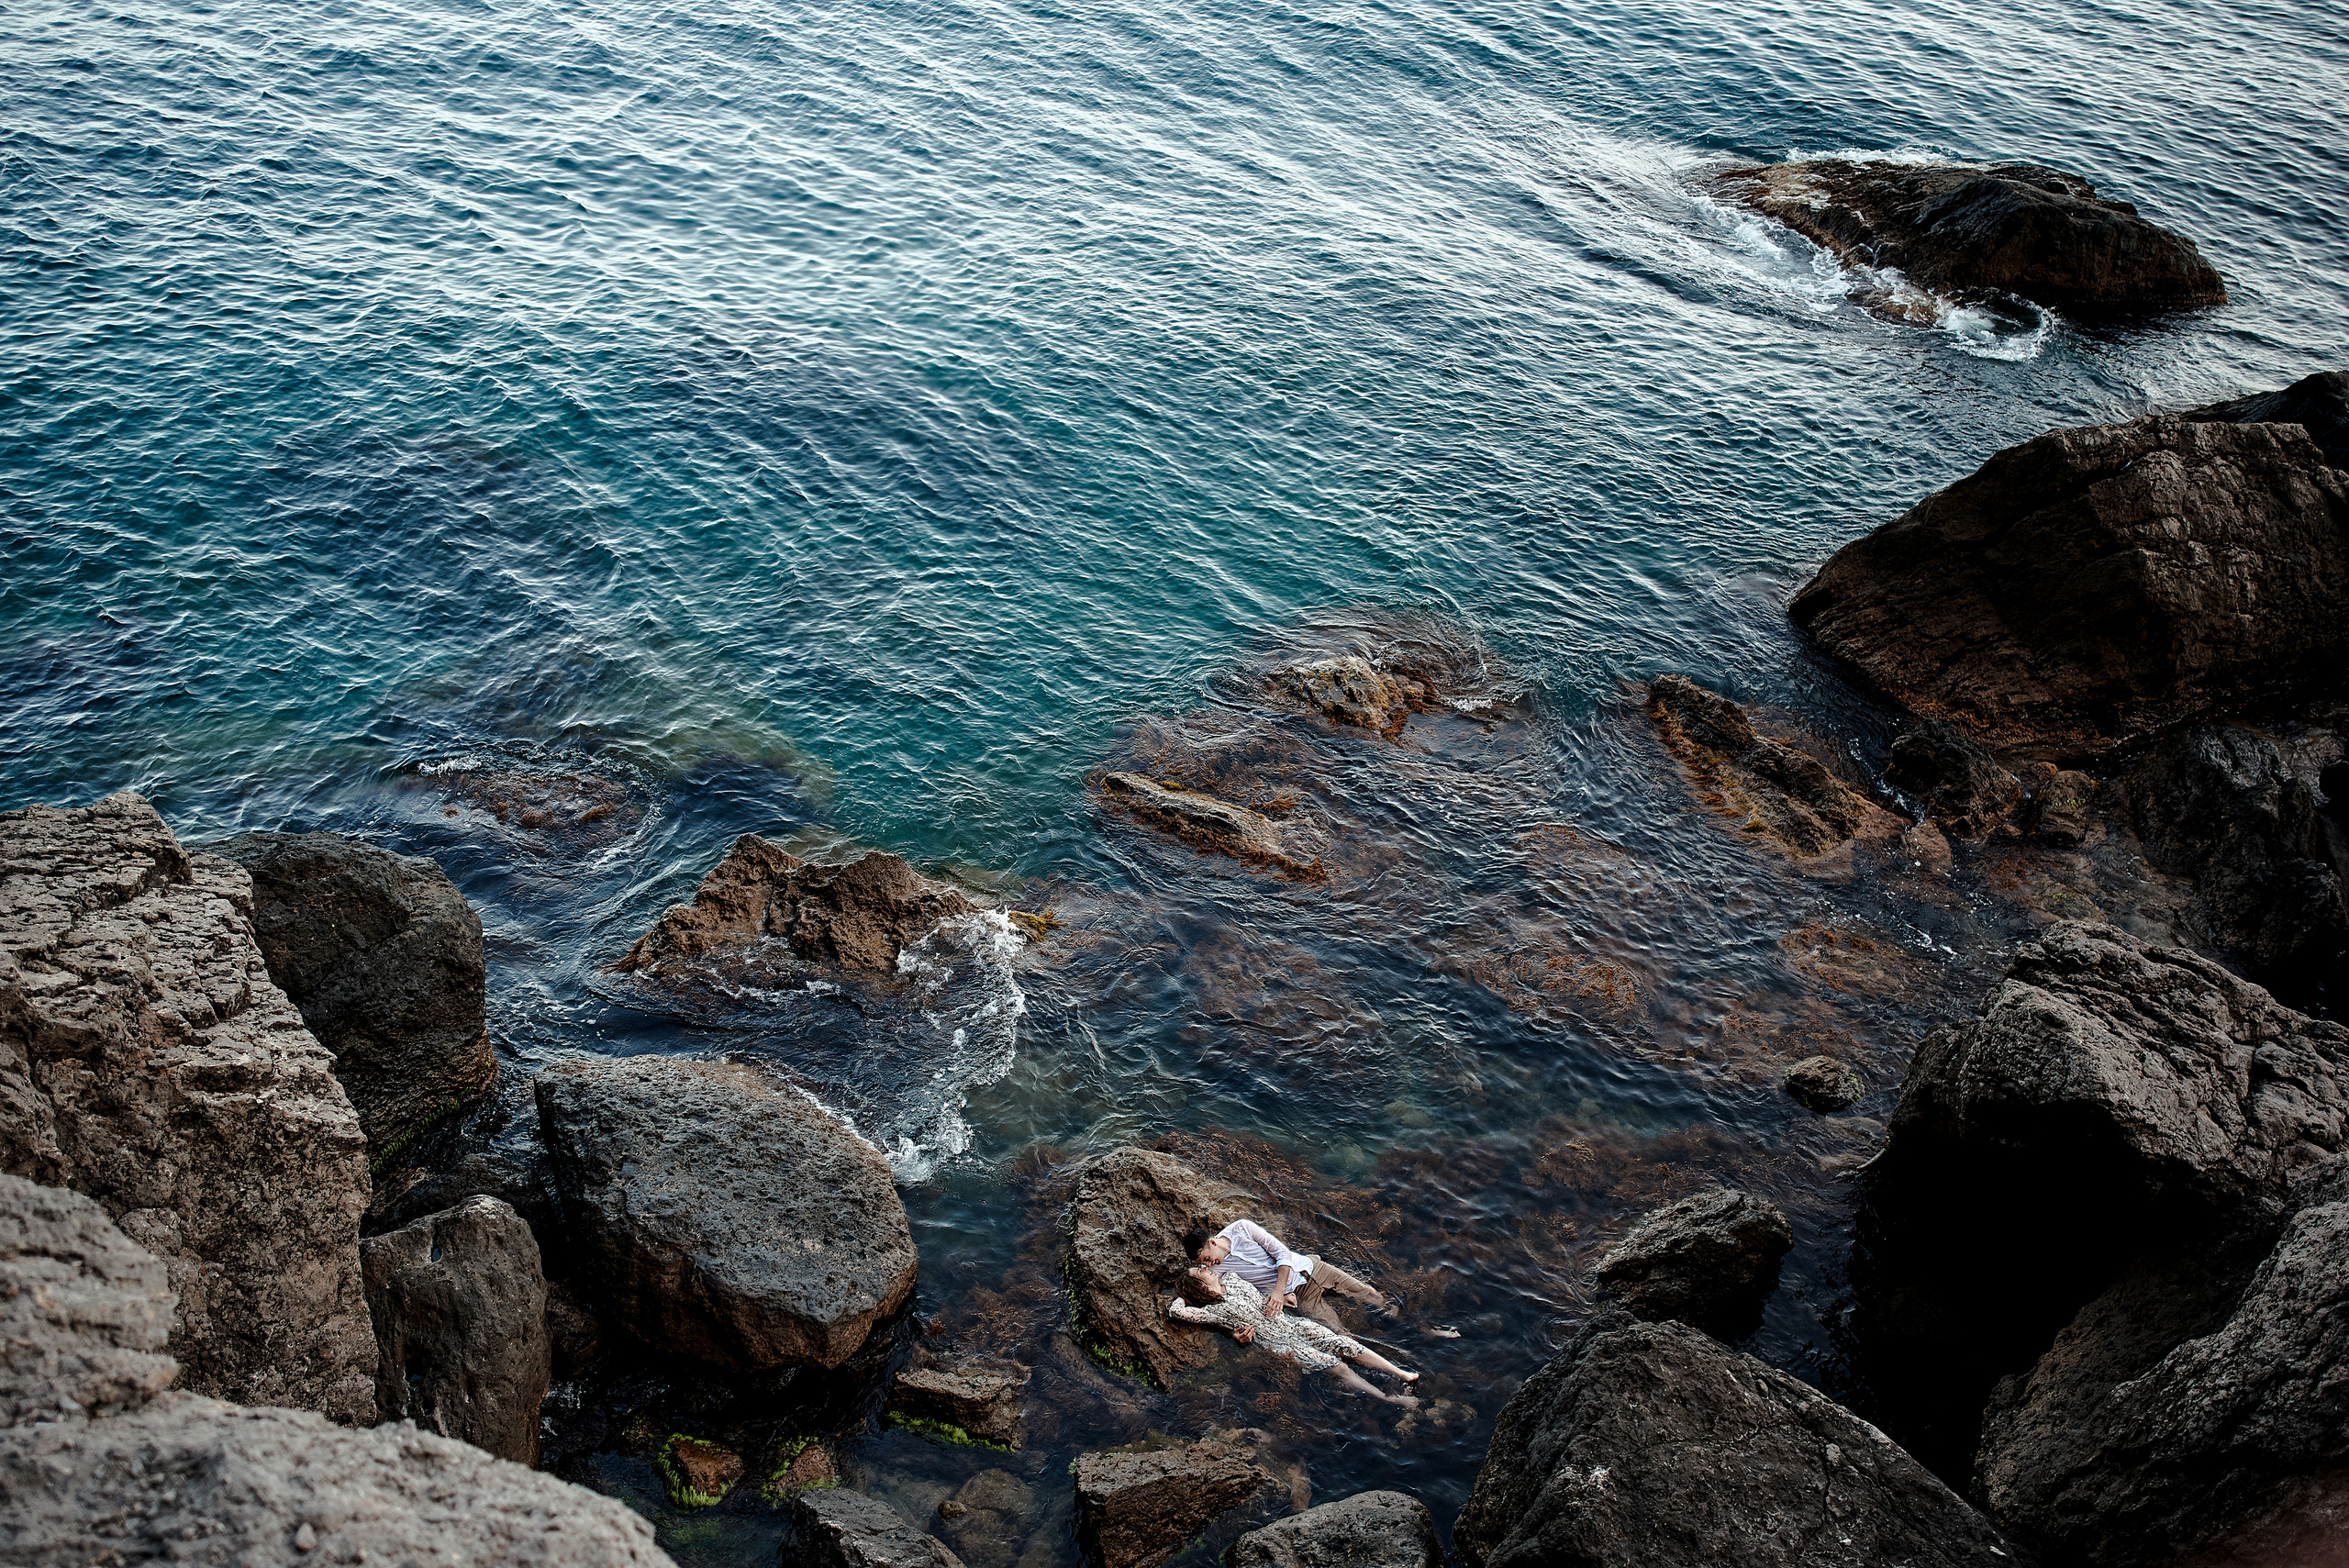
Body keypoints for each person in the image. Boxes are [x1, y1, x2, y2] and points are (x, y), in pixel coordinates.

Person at [1169, 1266, 1419, 1407]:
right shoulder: (1214, 1312)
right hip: (1278, 1342)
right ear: (1200, 1286)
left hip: (1292, 1324)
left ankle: (1401, 1373)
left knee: (1345, 1344)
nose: (1206, 1268)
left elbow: (1262, 1285)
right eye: (1200, 1272)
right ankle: (1387, 1398)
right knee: (1338, 1366)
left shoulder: (1232, 1279)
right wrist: (1182, 1291)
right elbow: (1176, 1310)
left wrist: (1281, 1293)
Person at [1180, 1218, 1400, 1334]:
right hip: (1298, 1295)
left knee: (1371, 1294)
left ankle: (1411, 1324)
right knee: (1338, 1332)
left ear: (1212, 1242)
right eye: (1203, 1265)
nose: (1209, 1265)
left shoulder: (1242, 1228)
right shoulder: (1216, 1274)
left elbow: (1282, 1253)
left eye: (1207, 1258)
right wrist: (1281, 1296)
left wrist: (1277, 1291)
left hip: (1310, 1267)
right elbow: (1240, 1295)